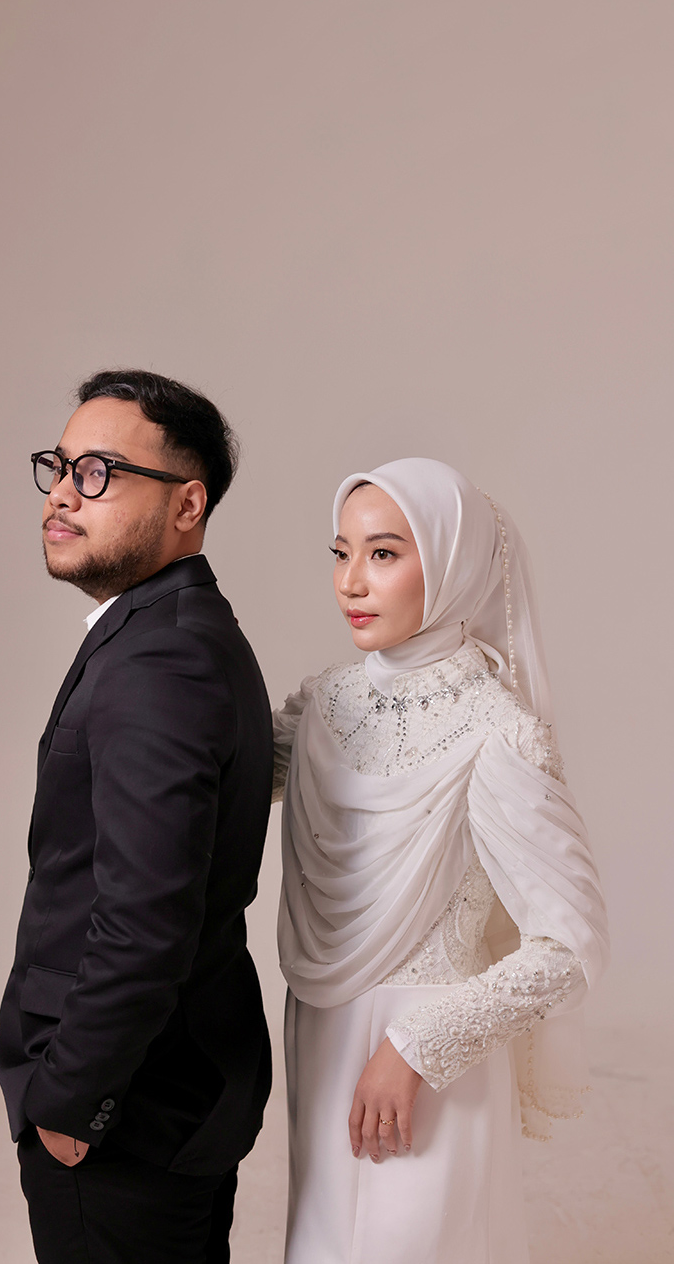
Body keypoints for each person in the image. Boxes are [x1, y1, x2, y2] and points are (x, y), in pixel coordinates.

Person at [273, 458, 609, 1264]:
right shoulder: (321, 706)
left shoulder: (495, 731)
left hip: (429, 1063)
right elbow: (208, 783)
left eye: (384, 554)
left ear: (453, 566)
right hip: (320, 1037)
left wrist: (417, 1048)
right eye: (341, 553)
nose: (351, 581)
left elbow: (571, 944)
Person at [0, 370, 273, 1264]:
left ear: (188, 504)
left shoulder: (164, 659)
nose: (64, 494)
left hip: (128, 1115)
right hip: (167, 1095)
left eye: (101, 472)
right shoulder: (165, 630)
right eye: (61, 466)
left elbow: (147, 918)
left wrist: (72, 1101)